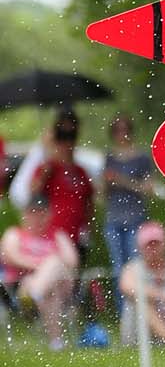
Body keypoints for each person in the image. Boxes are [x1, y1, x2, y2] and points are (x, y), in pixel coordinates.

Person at [0, 193, 78, 349]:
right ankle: (56, 341)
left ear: (48, 215)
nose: (37, 218)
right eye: (33, 213)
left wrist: (47, 268)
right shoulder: (15, 234)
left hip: (53, 287)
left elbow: (72, 261)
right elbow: (10, 257)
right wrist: (43, 266)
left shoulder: (57, 235)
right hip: (21, 288)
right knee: (52, 271)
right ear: (24, 214)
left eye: (42, 213)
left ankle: (37, 293)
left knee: (54, 268)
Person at [101, 114, 155, 310]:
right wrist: (107, 183)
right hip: (114, 218)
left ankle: (139, 310)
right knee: (118, 267)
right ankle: (123, 311)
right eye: (117, 130)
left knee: (135, 265)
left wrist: (123, 181)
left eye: (124, 130)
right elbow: (103, 193)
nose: (121, 134)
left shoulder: (141, 157)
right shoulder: (109, 157)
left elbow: (149, 189)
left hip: (135, 218)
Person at [30, 110, 95, 260]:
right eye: (62, 136)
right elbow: (33, 191)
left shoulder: (81, 171)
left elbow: (89, 203)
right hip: (55, 236)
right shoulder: (48, 168)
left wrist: (88, 228)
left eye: (71, 136)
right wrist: (46, 162)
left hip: (77, 234)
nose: (67, 142)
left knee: (74, 276)